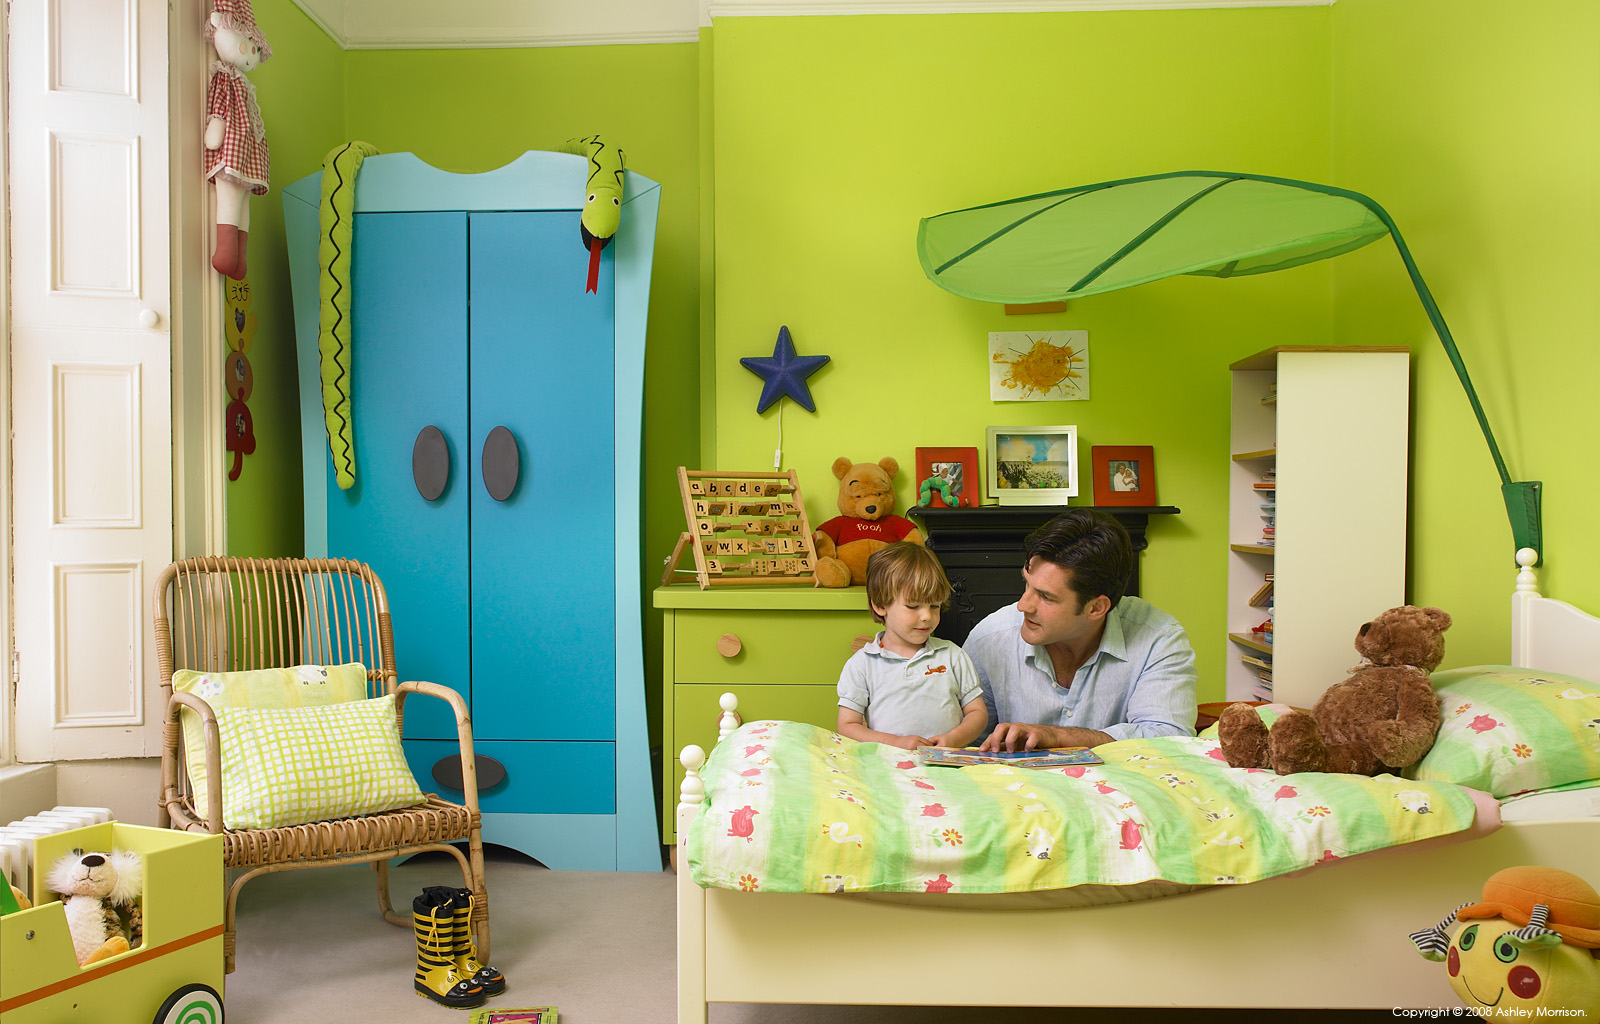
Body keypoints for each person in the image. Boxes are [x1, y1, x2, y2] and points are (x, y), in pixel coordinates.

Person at [964, 509, 1197, 751]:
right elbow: (962, 744)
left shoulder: (1158, 638)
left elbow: (1171, 740)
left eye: (1045, 596)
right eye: (1027, 584)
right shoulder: (989, 639)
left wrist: (1057, 737)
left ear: (1096, 608)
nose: (1023, 605)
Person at [836, 543, 988, 750]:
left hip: (946, 764)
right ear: (880, 605)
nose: (927, 616)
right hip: (889, 766)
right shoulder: (862, 664)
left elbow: (977, 713)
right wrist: (897, 743)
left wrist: (954, 739)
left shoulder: (953, 655)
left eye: (934, 606)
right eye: (913, 606)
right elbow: (847, 725)